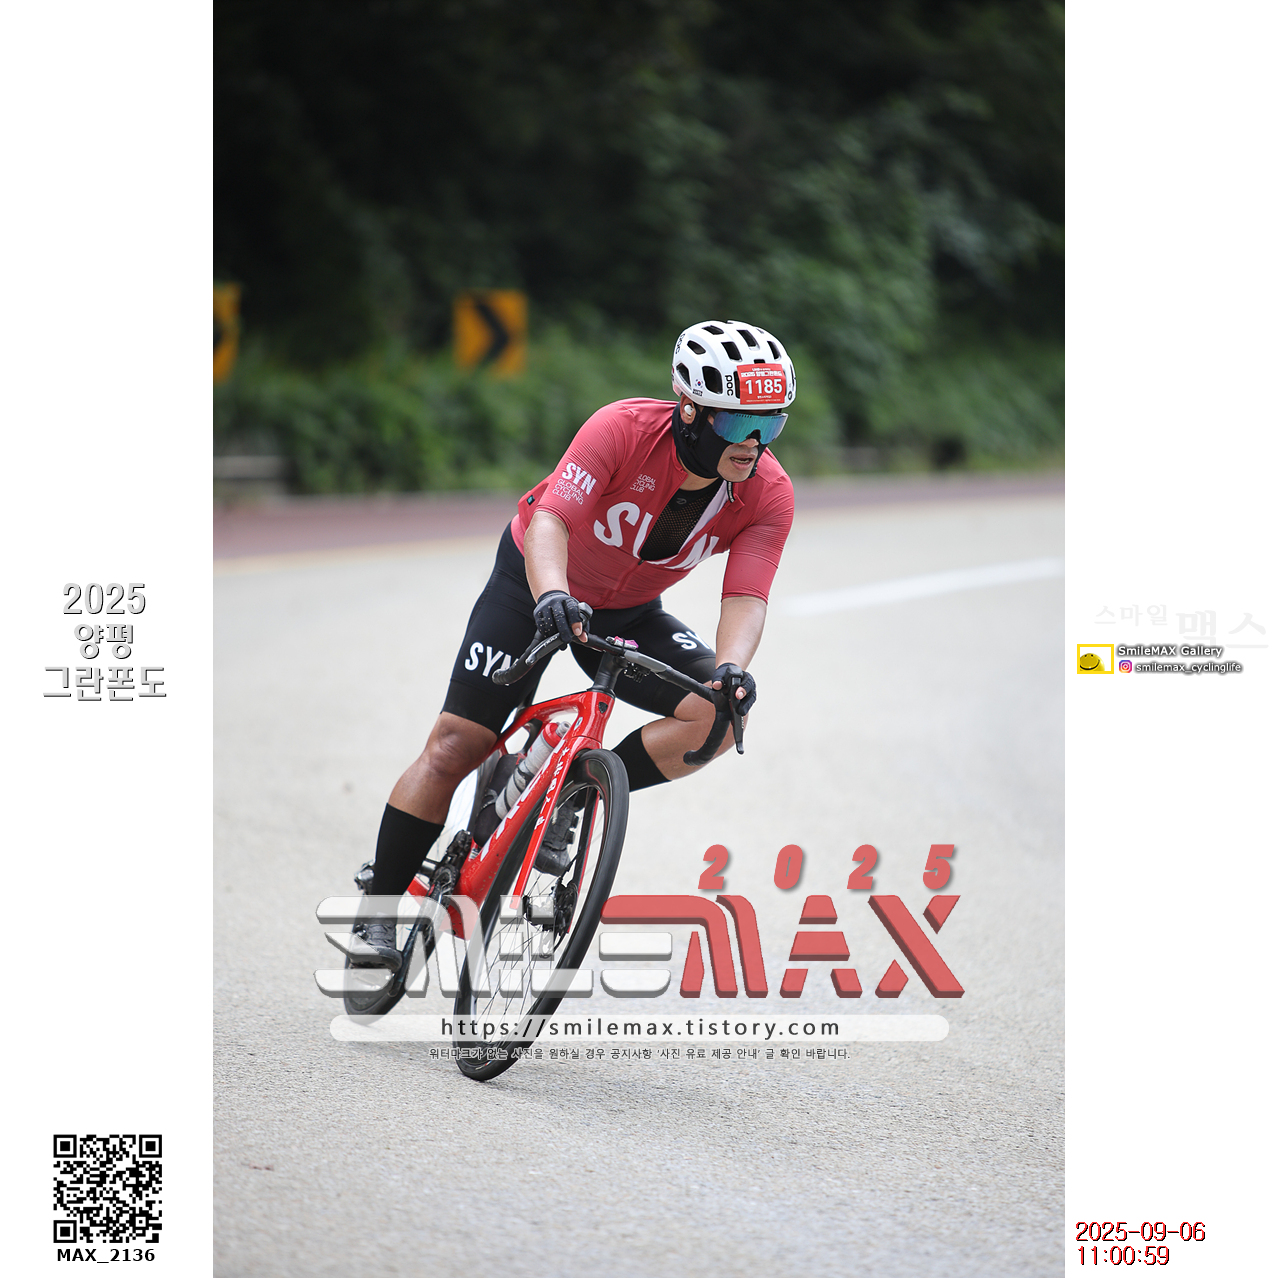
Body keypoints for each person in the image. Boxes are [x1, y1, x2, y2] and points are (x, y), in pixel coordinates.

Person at [350, 319, 798, 965]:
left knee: (721, 714)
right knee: (456, 745)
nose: (753, 443)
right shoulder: (621, 430)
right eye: (738, 423)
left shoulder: (769, 493)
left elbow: (747, 595)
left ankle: (574, 791)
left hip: (630, 611)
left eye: (771, 425)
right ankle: (378, 912)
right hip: (535, 583)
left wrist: (731, 667)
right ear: (690, 408)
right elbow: (552, 519)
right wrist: (552, 594)